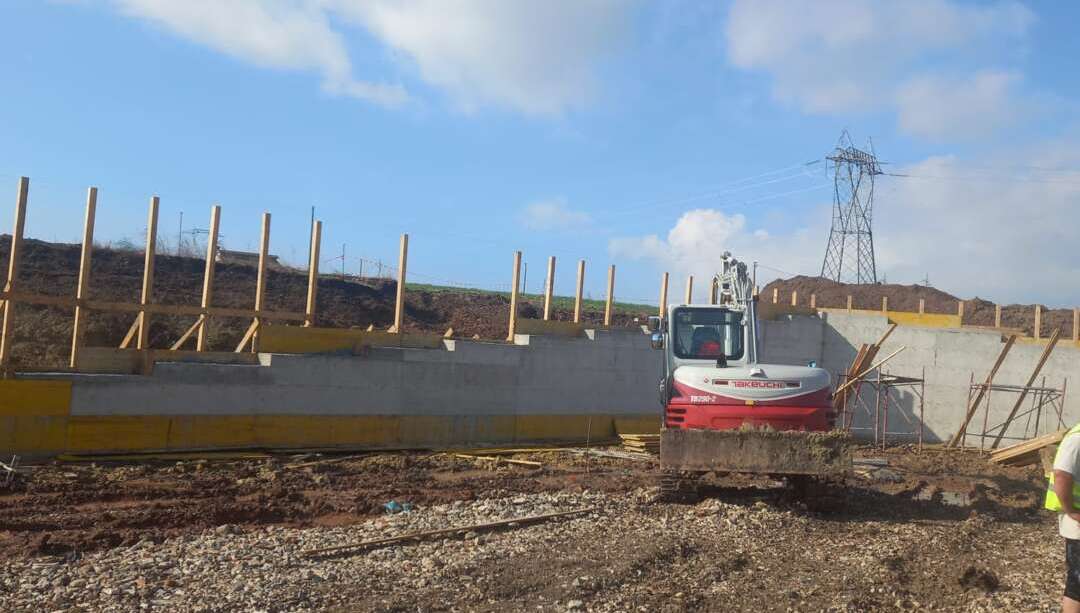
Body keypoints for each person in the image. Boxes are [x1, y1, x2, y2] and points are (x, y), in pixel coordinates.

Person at [1046, 424, 1080, 612]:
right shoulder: (1077, 440)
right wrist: (1072, 510)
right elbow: (1061, 476)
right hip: (1078, 523)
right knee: (1078, 582)